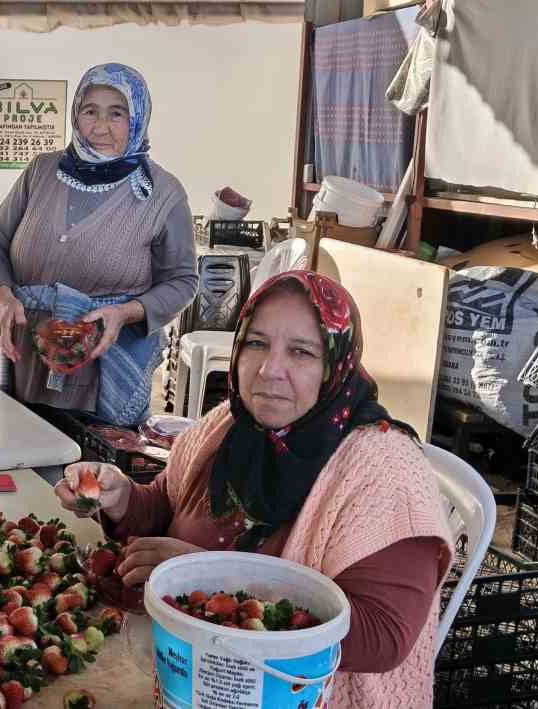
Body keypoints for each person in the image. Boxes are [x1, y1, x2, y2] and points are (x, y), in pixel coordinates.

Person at [54, 271, 452, 707]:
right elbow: (168, 504)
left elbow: (383, 636)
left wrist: (208, 580)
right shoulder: (232, 424)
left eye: (301, 351)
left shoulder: (385, 473)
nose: (269, 370)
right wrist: (122, 497)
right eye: (257, 343)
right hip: (191, 676)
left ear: (336, 363)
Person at [0, 63, 198, 427]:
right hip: (25, 356)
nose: (100, 127)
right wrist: (2, 297)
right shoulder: (41, 171)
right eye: (90, 111)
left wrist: (126, 313)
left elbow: (182, 281)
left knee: (94, 456)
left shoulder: (163, 192)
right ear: (76, 114)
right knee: (19, 445)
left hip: (104, 360)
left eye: (117, 113)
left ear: (137, 119)